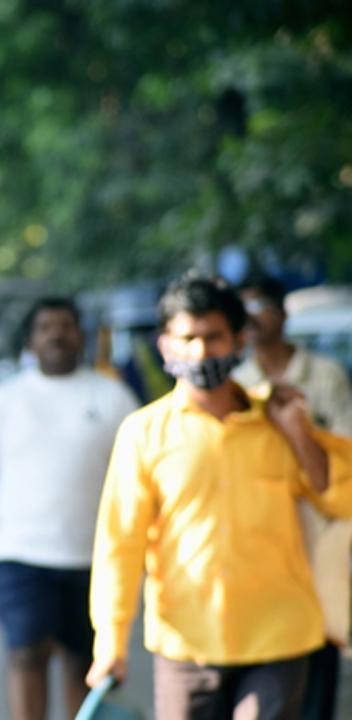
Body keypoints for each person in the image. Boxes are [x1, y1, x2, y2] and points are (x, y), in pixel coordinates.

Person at [87, 274, 352, 720]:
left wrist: (300, 435)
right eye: (187, 338)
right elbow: (120, 544)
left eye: (214, 337)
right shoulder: (144, 433)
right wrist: (110, 642)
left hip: (280, 637)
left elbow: (340, 502)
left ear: (239, 341)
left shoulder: (279, 420)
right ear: (165, 344)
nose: (200, 352)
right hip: (186, 645)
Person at [0, 297, 138, 720]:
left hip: (94, 558)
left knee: (83, 664)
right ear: (31, 341)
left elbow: (139, 481)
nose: (56, 334)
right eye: (45, 328)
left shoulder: (113, 397)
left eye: (65, 326)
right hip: (20, 555)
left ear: (81, 336)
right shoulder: (4, 399)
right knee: (26, 654)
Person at [234, 275, 352, 720]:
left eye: (261, 304)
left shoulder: (325, 376)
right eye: (242, 309)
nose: (253, 317)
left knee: (316, 668)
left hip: (318, 543)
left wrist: (299, 434)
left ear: (283, 314)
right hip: (260, 544)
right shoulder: (234, 384)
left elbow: (342, 464)